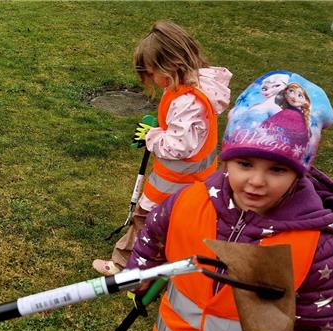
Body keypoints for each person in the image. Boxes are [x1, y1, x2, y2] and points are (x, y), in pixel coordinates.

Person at [125, 71, 333, 331]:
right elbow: (153, 236)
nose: (257, 182)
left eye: (277, 169)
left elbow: (315, 325)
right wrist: (139, 274)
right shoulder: (191, 201)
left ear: (300, 172)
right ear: (226, 160)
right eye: (245, 163)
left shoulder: (308, 244)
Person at [92, 20, 231, 276]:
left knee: (144, 220)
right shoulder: (195, 88)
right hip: (194, 183)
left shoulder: (188, 102)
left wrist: (152, 136)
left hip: (173, 184)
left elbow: (179, 145)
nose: (151, 80)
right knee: (175, 225)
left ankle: (125, 264)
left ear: (170, 66)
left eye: (151, 73)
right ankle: (169, 264)